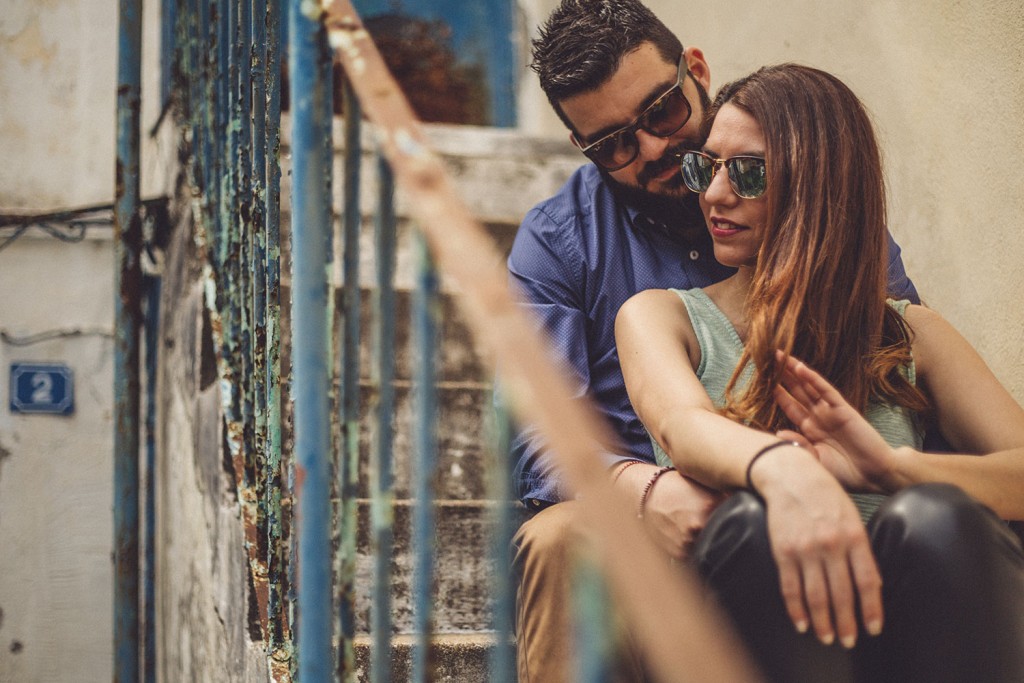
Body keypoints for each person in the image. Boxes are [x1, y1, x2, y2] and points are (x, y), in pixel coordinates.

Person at [507, 1, 920, 680]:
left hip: (824, 494)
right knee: (560, 536)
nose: (650, 151)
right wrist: (646, 490)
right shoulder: (559, 244)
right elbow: (545, 438)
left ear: (695, 70)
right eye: (612, 144)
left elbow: (899, 363)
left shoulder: (814, 211)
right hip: (657, 528)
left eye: (662, 112)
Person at [615, 63, 1024, 682]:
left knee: (936, 517)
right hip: (742, 631)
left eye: (747, 174)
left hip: (901, 638)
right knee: (752, 526)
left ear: (822, 186)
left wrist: (892, 470)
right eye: (708, 166)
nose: (715, 196)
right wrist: (784, 470)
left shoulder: (910, 332)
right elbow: (682, 427)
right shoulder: (661, 317)